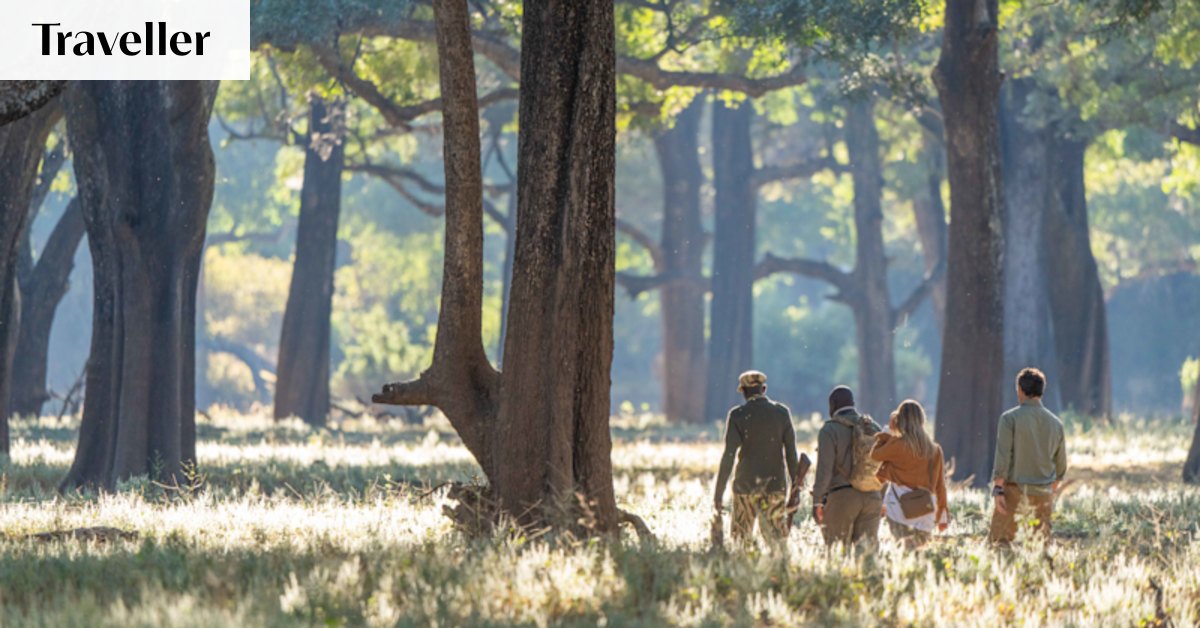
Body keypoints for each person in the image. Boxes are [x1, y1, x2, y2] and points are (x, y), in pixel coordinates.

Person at [713, 370, 801, 545]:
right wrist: (796, 487)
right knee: (777, 543)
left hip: (745, 487)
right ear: (764, 389)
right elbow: (791, 454)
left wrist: (718, 493)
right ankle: (779, 571)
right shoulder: (782, 413)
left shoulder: (737, 415)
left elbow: (728, 456)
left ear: (743, 392)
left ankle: (745, 571)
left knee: (741, 543)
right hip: (775, 487)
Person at [988, 367, 1068, 546]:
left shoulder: (1009, 419)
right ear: (1042, 391)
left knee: (1000, 546)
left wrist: (998, 489)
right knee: (1040, 548)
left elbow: (1003, 456)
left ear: (1020, 390)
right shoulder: (1056, 424)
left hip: (1013, 493)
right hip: (1043, 494)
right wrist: (1050, 489)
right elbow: (1061, 466)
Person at [870, 400, 949, 548]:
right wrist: (942, 516)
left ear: (900, 420)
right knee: (918, 556)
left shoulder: (897, 445)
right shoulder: (935, 449)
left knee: (904, 553)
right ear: (921, 420)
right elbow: (940, 486)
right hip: (926, 512)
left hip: (898, 510)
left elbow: (875, 455)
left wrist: (886, 433)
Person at [812, 386, 883, 547]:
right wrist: (881, 498)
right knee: (867, 556)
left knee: (837, 553)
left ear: (833, 405)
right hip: (872, 498)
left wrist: (817, 502)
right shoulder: (873, 428)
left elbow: (824, 470)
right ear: (853, 403)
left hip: (842, 498)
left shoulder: (829, 430)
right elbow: (884, 466)